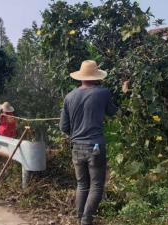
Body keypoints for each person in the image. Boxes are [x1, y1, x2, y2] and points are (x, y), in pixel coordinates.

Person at [59, 60, 117, 225]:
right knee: (97, 185)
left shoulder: (69, 96)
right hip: (95, 146)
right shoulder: (103, 93)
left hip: (77, 147)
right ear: (96, 76)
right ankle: (86, 220)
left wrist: (77, 133)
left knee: (82, 184)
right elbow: (113, 112)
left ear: (81, 77)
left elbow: (63, 127)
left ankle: (80, 219)